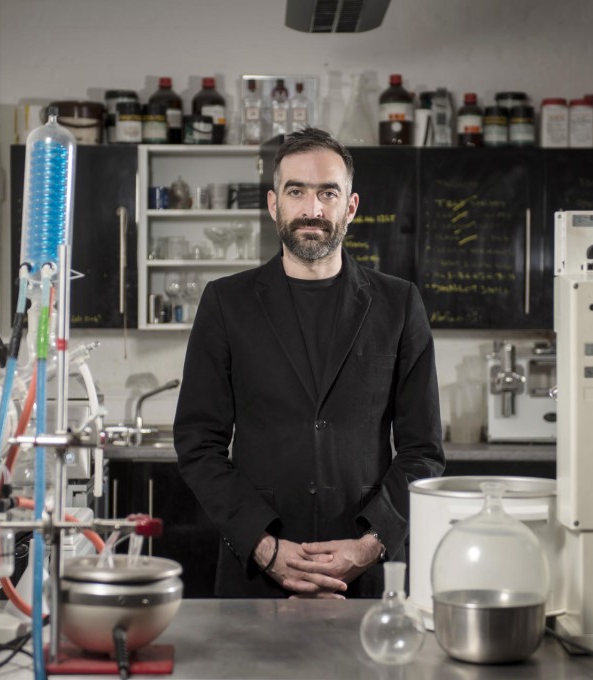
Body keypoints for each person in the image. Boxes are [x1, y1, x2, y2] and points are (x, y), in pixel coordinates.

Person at [174, 127, 445, 598]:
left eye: (327, 193)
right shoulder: (226, 302)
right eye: (296, 191)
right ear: (274, 204)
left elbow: (423, 450)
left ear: (351, 206)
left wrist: (370, 544)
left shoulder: (399, 304)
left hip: (365, 575)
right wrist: (263, 546)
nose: (312, 209)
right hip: (256, 571)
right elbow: (198, 442)